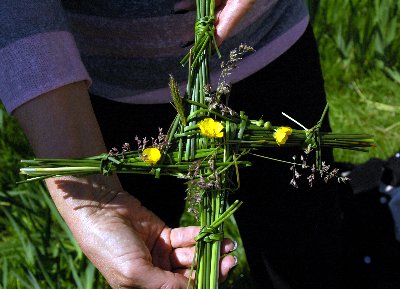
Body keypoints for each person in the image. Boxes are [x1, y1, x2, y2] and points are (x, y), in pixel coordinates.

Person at [0, 1, 342, 288]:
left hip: (272, 41)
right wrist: (93, 199)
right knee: (151, 252)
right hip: (105, 90)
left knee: (308, 246)